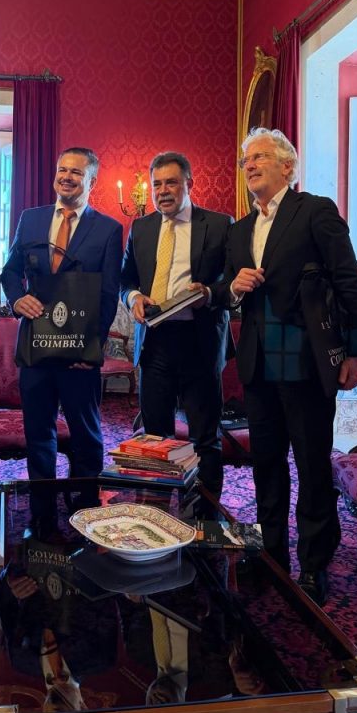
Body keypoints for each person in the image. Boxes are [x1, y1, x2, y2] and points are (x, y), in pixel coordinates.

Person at [213, 128, 357, 606]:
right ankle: (271, 555)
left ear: (288, 166)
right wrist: (233, 286)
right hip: (258, 365)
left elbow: (350, 281)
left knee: (311, 465)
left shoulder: (315, 211)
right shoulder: (239, 230)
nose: (249, 165)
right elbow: (223, 290)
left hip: (305, 363)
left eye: (259, 157)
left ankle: (315, 564)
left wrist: (356, 352)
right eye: (245, 160)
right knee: (266, 466)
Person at [1, 147, 122, 532]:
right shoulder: (31, 218)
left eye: (76, 172)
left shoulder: (108, 229)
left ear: (92, 181)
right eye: (62, 170)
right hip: (36, 347)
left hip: (79, 354)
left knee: (86, 436)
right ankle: (42, 517)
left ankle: (86, 513)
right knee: (39, 435)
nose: (67, 177)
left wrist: (94, 348)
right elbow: (10, 271)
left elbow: (108, 294)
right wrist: (16, 299)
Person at [120, 152, 232, 515]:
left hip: (199, 343)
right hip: (155, 344)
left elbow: (231, 282)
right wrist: (133, 297)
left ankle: (203, 520)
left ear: (189, 184)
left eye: (171, 182)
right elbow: (125, 280)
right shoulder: (141, 227)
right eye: (157, 184)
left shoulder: (219, 225)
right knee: (155, 439)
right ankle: (158, 517)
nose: (163, 191)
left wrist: (209, 292)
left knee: (205, 438)